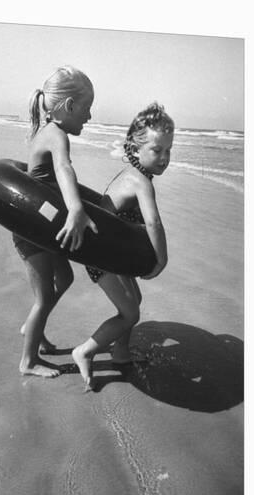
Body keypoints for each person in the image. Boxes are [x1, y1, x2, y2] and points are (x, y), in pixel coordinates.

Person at [72, 102, 174, 391]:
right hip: (101, 255)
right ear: (134, 147)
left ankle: (120, 352)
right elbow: (154, 224)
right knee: (130, 313)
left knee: (134, 301)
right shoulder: (141, 181)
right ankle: (85, 350)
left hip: (113, 253)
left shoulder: (132, 174)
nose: (165, 157)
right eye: (157, 150)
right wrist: (160, 260)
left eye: (169, 150)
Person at [15, 66, 98, 378]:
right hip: (30, 230)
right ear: (70, 106)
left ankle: (33, 330)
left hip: (43, 227)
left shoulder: (46, 131)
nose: (89, 118)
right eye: (87, 109)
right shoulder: (56, 135)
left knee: (64, 279)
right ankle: (28, 361)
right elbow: (63, 168)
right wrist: (76, 209)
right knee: (45, 296)